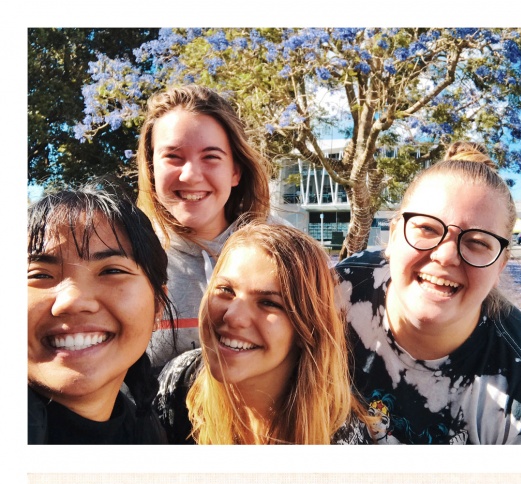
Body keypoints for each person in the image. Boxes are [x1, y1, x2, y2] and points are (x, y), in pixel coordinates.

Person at [336, 141, 521, 444]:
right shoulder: (340, 289)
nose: (446, 256)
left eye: (477, 241)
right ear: (394, 236)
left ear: (500, 265)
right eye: (427, 229)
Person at [155, 222, 369, 444]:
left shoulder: (339, 436)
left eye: (269, 303)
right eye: (226, 290)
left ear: (307, 327)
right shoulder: (178, 382)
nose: (233, 316)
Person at [137, 84, 271, 368]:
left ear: (235, 171)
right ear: (151, 168)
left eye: (211, 157)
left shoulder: (282, 254)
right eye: (173, 157)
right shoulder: (126, 259)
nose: (191, 175)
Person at [28, 186, 174, 444]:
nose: (72, 301)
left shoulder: (149, 433)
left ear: (157, 307)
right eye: (40, 275)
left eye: (111, 271)